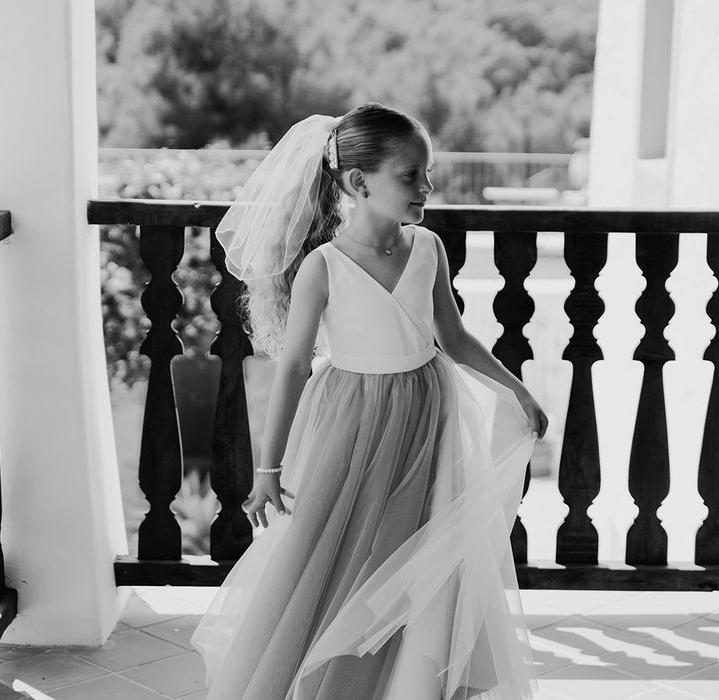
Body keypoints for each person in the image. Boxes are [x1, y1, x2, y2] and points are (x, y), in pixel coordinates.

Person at [191, 102, 548, 700]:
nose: (427, 187)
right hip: (352, 425)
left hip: (429, 416)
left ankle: (410, 682)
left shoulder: (428, 247)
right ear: (359, 183)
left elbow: (453, 337)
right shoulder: (323, 267)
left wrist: (516, 389)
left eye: (426, 173)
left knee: (423, 557)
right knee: (341, 556)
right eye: (411, 176)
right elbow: (293, 371)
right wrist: (267, 469)